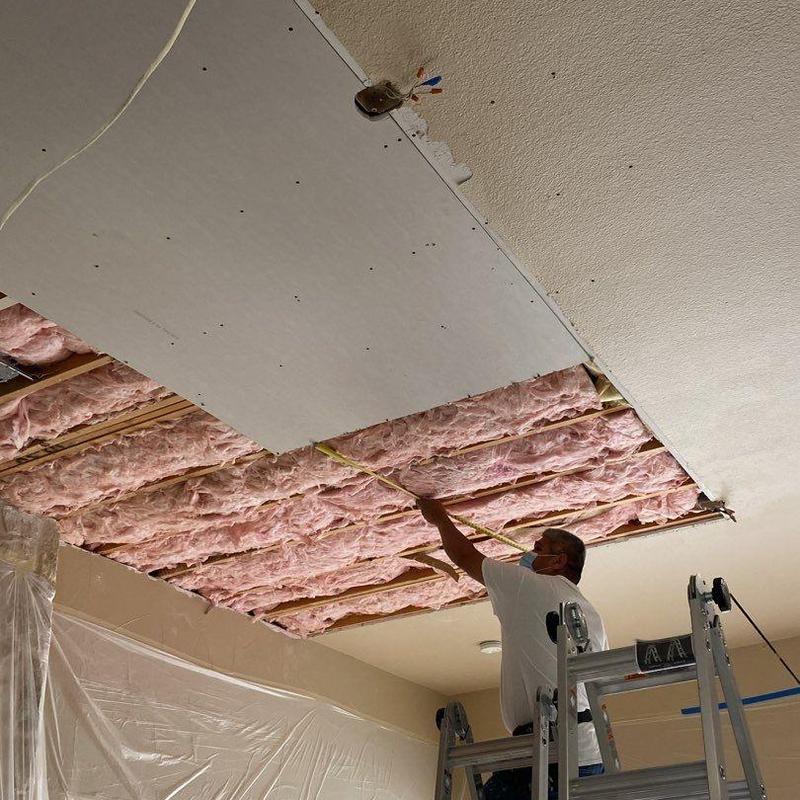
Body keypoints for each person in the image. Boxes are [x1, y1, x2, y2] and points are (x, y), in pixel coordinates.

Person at [417, 497, 608, 800]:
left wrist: (439, 518)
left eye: (538, 548)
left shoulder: (530, 586)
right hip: (583, 751)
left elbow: (467, 557)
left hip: (551, 751)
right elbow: (600, 684)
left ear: (558, 561)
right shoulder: (591, 615)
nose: (529, 554)